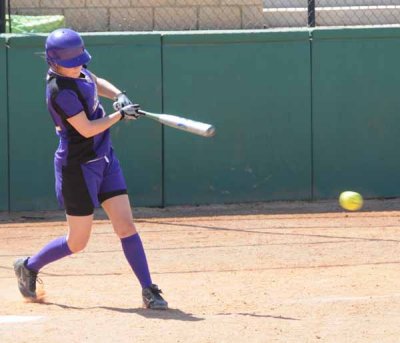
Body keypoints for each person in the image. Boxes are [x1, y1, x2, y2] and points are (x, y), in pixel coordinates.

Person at [13, 28, 168, 310]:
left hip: (104, 158)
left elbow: (95, 81)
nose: (78, 67)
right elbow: (86, 128)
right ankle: (29, 265)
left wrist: (119, 95)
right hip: (78, 168)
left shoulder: (79, 70)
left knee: (125, 225)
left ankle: (148, 288)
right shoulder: (59, 92)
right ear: (54, 62)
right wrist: (120, 115)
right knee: (77, 241)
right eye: (71, 64)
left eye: (80, 61)